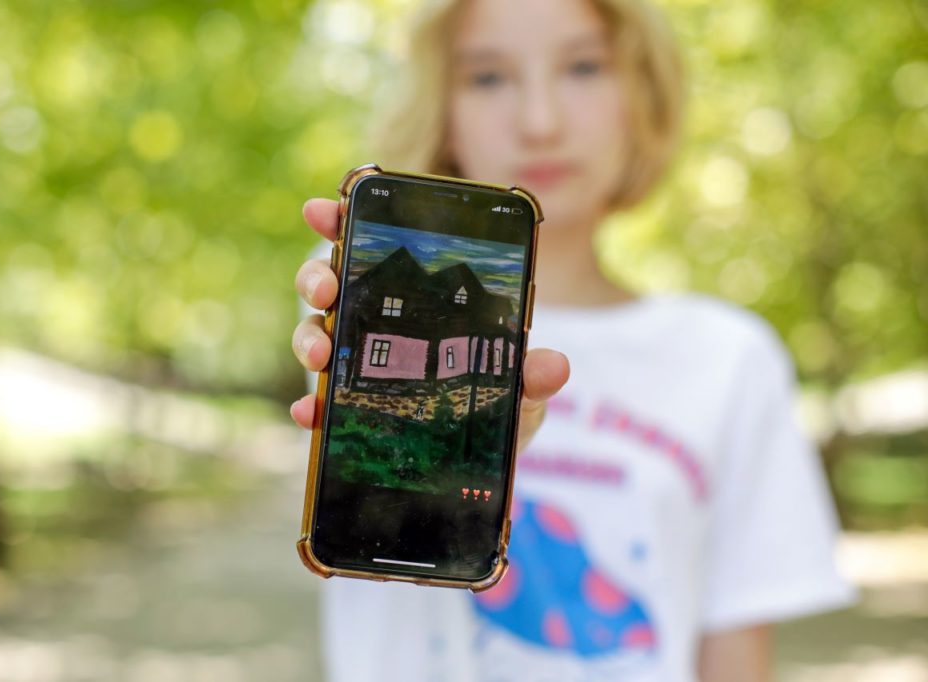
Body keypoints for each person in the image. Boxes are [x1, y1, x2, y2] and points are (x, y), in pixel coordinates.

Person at [289, 0, 857, 680]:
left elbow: (734, 654)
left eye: (584, 67)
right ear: (440, 106)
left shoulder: (729, 358)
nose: (540, 121)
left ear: (642, 93)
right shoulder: (358, 312)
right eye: (488, 77)